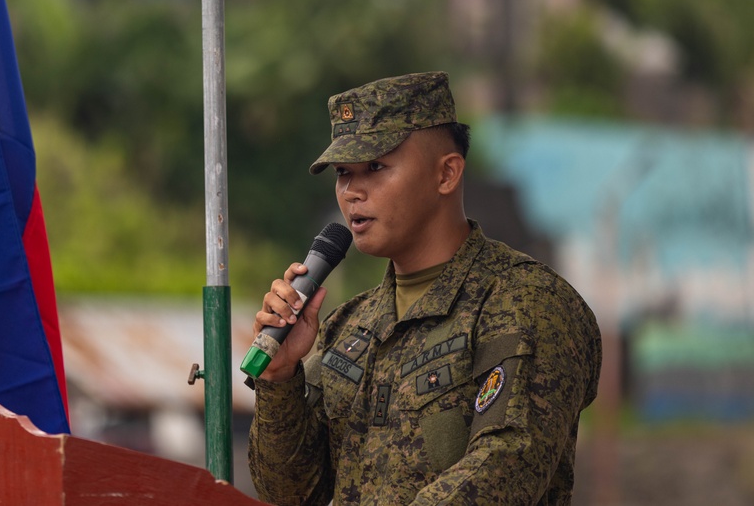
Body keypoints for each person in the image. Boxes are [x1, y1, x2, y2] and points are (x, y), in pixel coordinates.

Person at [248, 72, 603, 506]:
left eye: (375, 167)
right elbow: (290, 492)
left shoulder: (527, 303)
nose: (353, 192)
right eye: (344, 173)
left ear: (447, 174)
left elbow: (504, 472)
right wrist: (281, 377)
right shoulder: (347, 327)